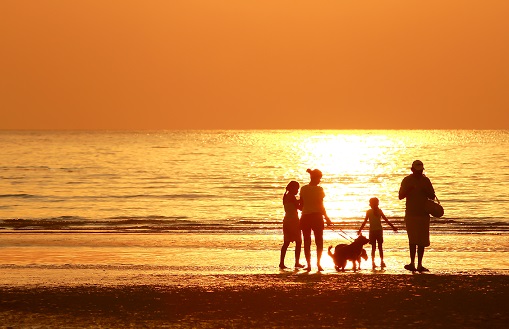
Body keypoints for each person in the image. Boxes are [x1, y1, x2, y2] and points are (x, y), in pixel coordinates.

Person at [399, 160, 436, 272]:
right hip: (411, 214)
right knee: (413, 240)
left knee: (422, 241)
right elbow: (400, 196)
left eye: (420, 172)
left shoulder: (426, 180)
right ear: (412, 170)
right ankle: (412, 263)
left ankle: (419, 264)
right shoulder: (406, 180)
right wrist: (409, 190)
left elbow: (432, 196)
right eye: (417, 171)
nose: (419, 173)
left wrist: (426, 192)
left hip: (423, 214)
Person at [299, 169, 332, 271]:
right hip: (317, 217)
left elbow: (301, 204)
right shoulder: (319, 190)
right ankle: (318, 264)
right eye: (319, 178)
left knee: (307, 241)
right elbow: (321, 205)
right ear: (314, 177)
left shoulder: (303, 189)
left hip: (305, 217)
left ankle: (309, 265)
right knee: (319, 241)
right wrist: (326, 218)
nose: (319, 181)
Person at [357, 197, 398, 269]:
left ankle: (377, 262)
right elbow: (386, 220)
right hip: (376, 231)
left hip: (375, 231)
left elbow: (385, 220)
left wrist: (393, 227)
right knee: (377, 247)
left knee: (376, 247)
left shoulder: (375, 211)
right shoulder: (373, 211)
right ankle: (377, 262)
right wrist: (393, 227)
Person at [279, 181, 305, 269]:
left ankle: (282, 262)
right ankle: (296, 262)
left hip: (286, 220)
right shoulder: (292, 197)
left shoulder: (286, 196)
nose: (297, 190)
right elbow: (300, 208)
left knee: (286, 242)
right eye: (296, 188)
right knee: (298, 242)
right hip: (293, 221)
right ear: (292, 188)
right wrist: (303, 200)